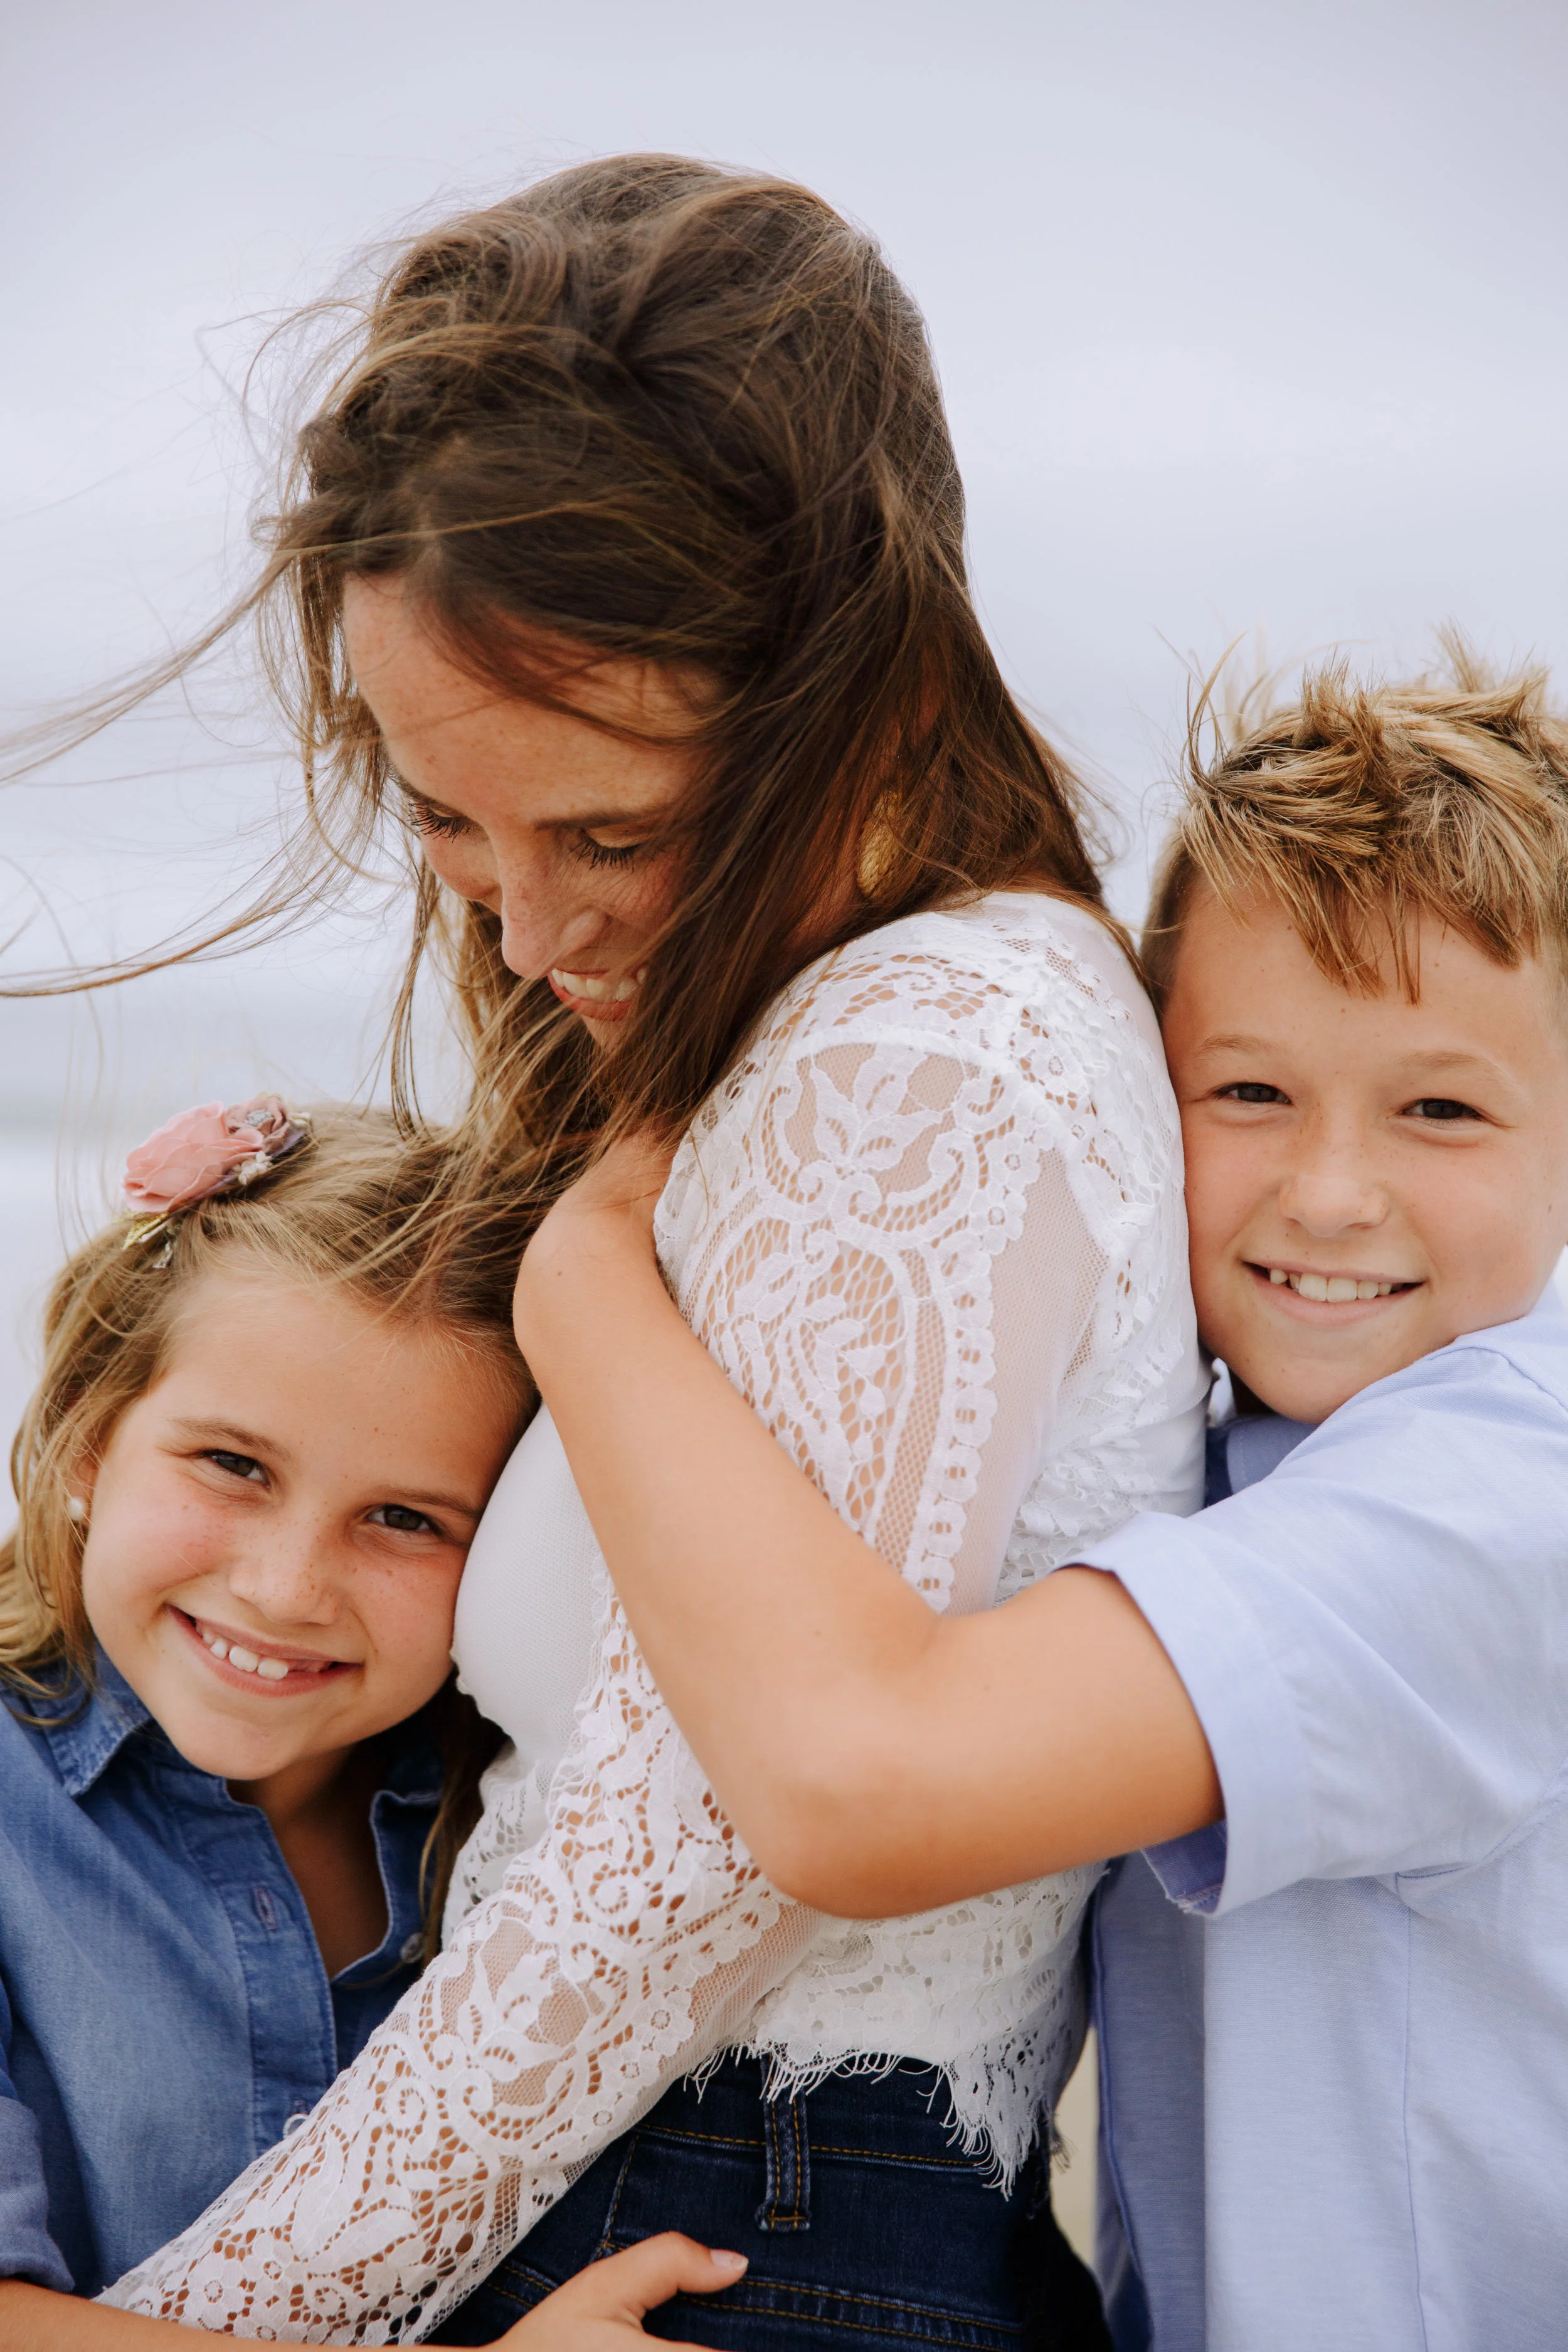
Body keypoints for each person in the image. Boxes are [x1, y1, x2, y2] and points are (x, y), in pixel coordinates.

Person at [93, 156, 1207, 2346]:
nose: (526, 923)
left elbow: (681, 1869)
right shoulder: (822, 1046)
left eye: (618, 828)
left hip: (724, 2214)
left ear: (856, 673)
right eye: (443, 815)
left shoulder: (927, 1054)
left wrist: (194, 2331)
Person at [498, 654, 1568, 2352]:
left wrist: (574, 1277)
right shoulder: (1259, 1445)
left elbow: (865, 1774)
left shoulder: (1501, 1487)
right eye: (1247, 1090)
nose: (1332, 1187)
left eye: (1438, 1106)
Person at [0, 1099, 749, 2352]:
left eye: (405, 1519)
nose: (288, 1588)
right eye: (232, 1465)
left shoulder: (536, 1828)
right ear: (87, 1433)